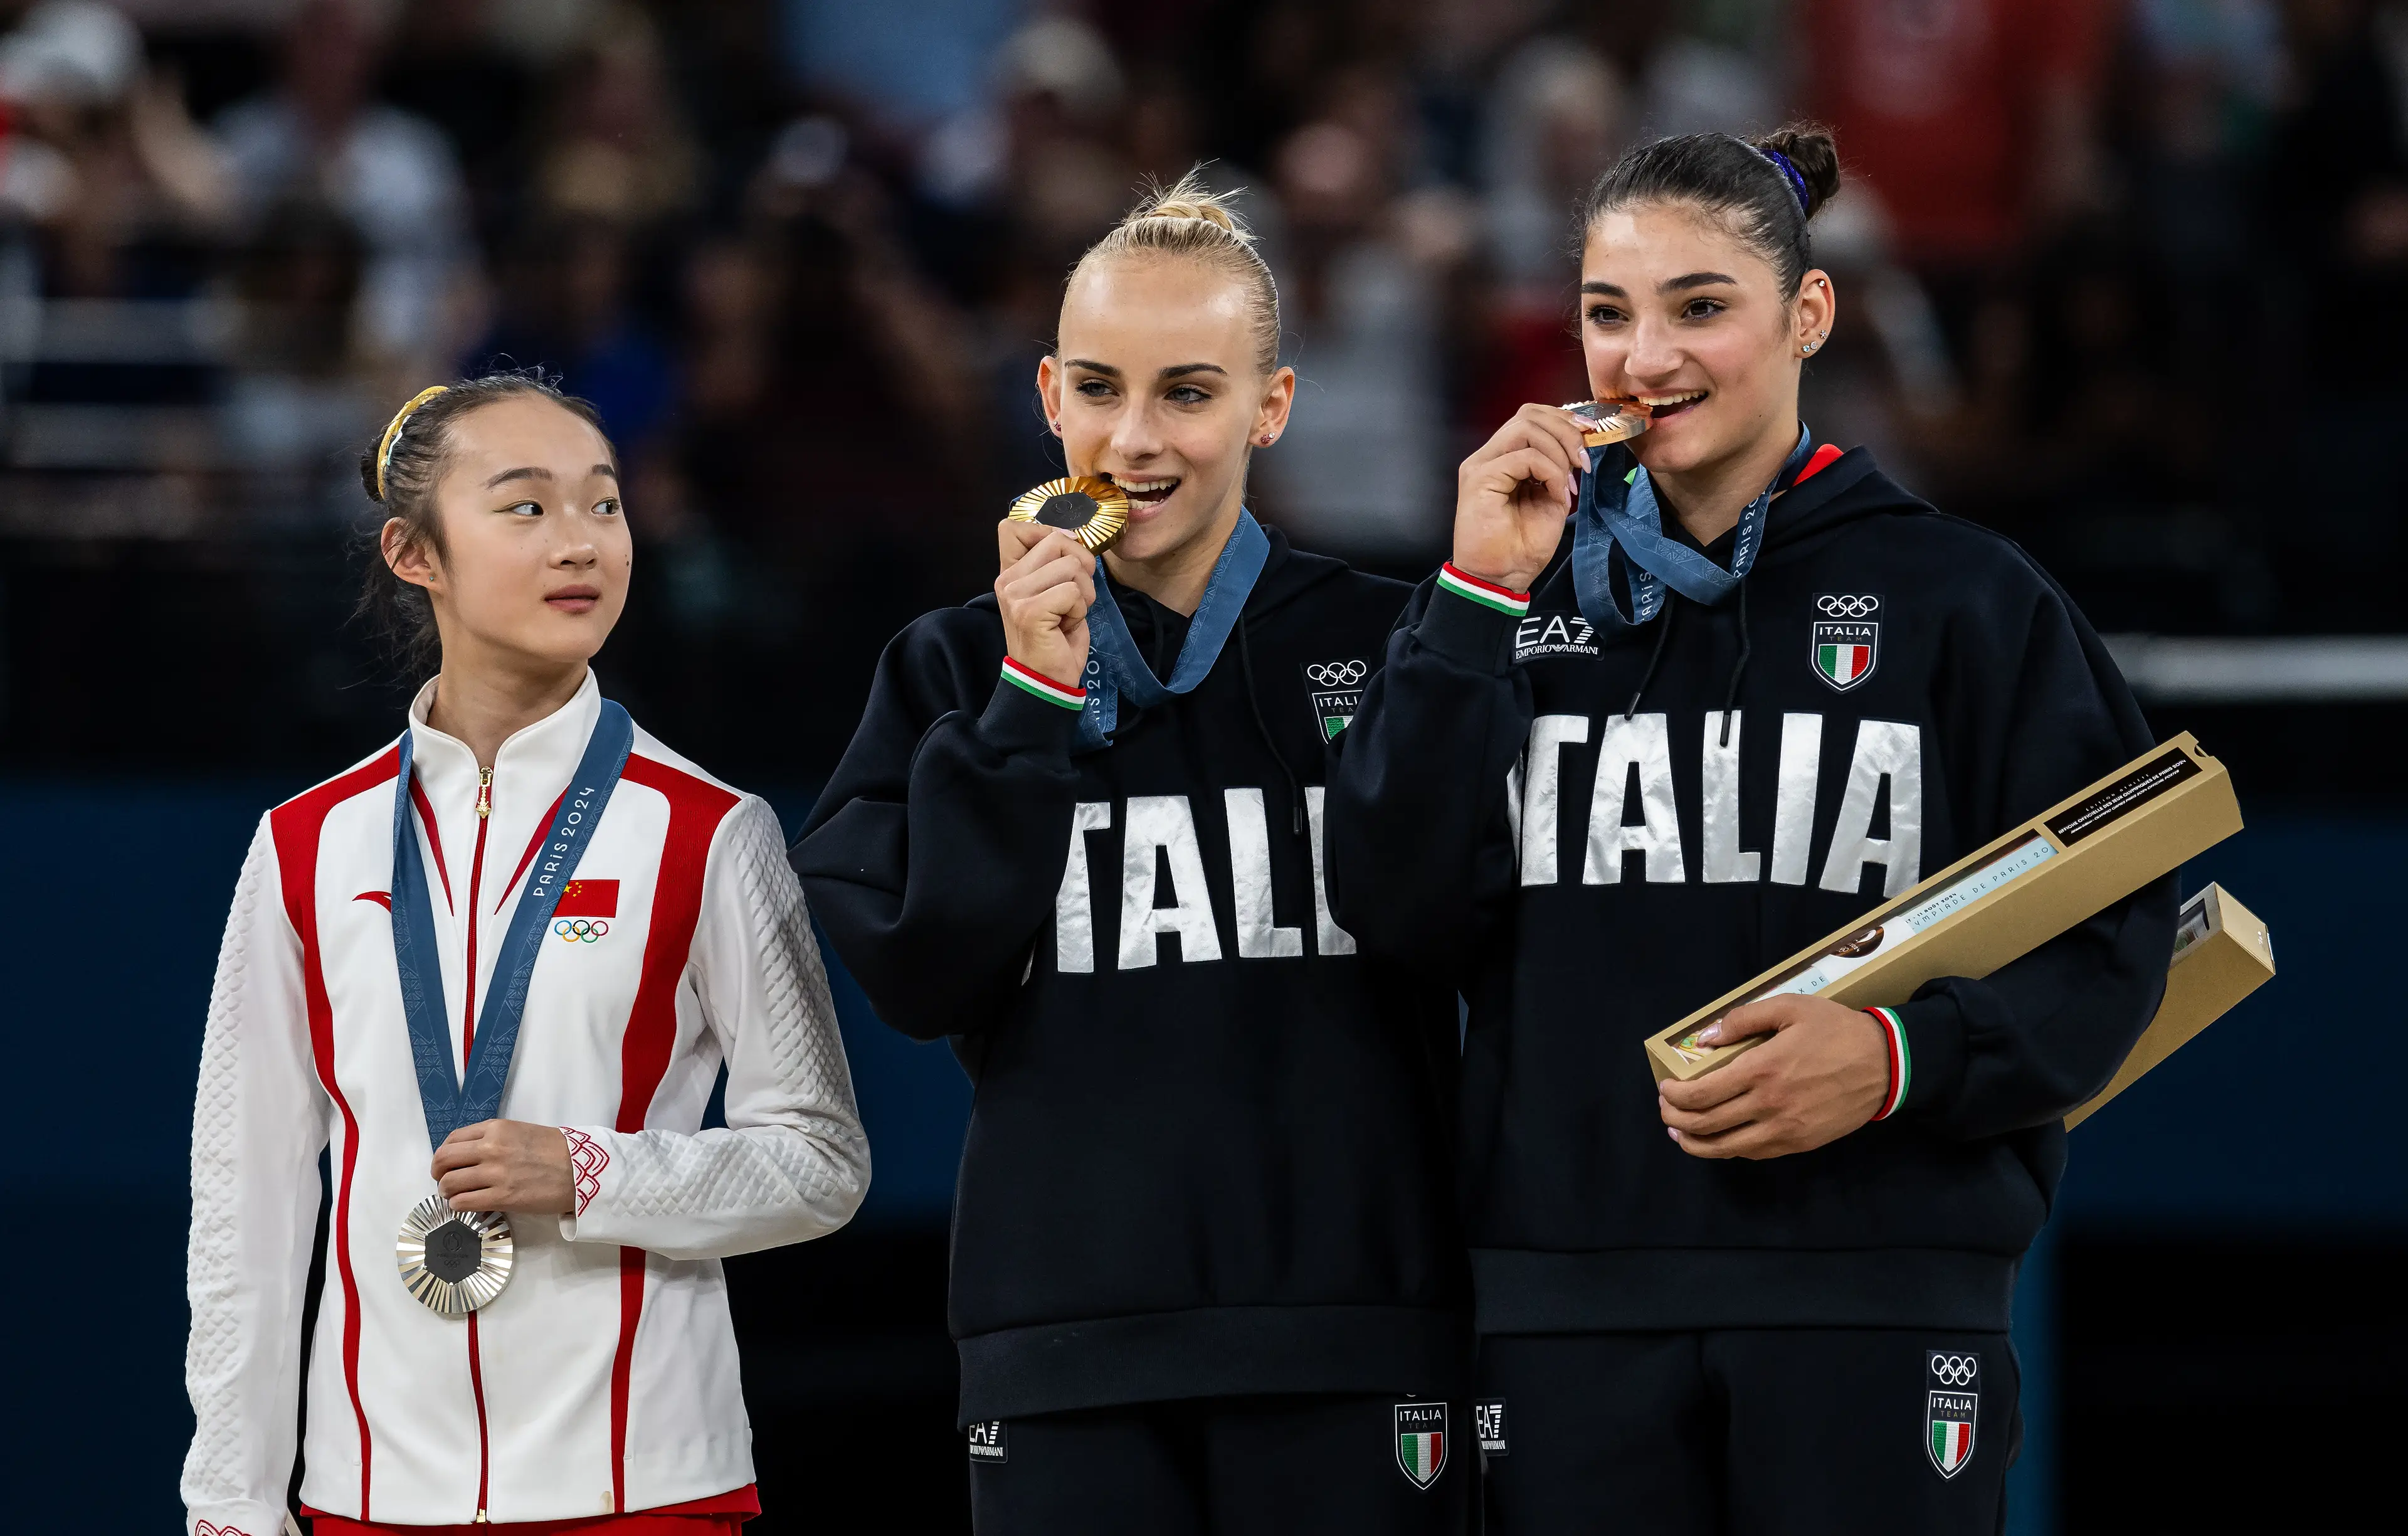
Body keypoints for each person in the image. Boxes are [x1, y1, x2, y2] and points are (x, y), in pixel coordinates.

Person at [1326, 127, 2177, 1533]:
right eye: (1610, 314)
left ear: (1809, 315)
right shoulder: (1502, 605)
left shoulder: (1970, 601)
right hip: (1566, 1311)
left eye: (1699, 306)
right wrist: (1472, 598)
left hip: (1880, 1299)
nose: (1644, 358)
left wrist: (1905, 1056)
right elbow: (1393, 905)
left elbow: (2116, 928)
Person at [793, 174, 1472, 1534]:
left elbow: (1462, 924)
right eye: (1099, 389)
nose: (1133, 441)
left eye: (1189, 393)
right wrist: (1029, 705)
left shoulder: (1404, 644)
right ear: (1047, 393)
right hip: (1064, 1342)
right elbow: (924, 973)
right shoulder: (947, 669)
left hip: (1354, 1335)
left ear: (1270, 407)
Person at [181, 373, 870, 1536]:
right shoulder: (305, 847)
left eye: (603, 505)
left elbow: (821, 1162)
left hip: (646, 1492)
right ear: (416, 554)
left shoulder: (709, 832)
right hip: (366, 1499)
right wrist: (232, 1502)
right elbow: (243, 1203)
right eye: (526, 508)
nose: (582, 545)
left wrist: (595, 1175)